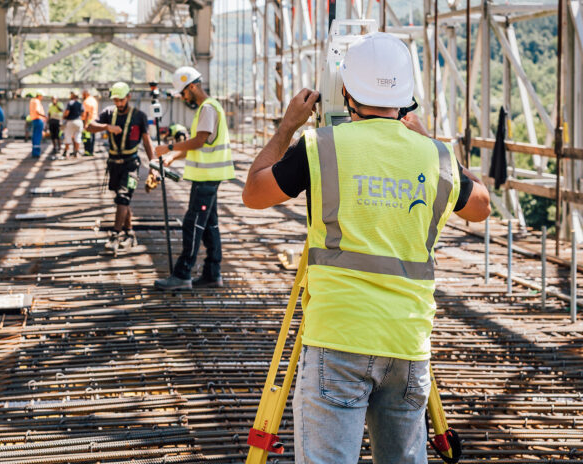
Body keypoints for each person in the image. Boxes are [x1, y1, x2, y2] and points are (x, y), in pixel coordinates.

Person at [241, 32, 491, 464]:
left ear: (344, 91)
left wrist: (288, 127)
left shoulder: (321, 146)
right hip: (408, 342)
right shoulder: (435, 157)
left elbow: (254, 193)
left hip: (338, 336)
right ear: (407, 95)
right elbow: (482, 206)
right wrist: (434, 146)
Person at [153, 66, 235, 290]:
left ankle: (182, 274)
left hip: (207, 178)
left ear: (192, 86)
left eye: (183, 93)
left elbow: (199, 141)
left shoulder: (207, 108)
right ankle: (212, 273)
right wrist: (173, 155)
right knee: (209, 225)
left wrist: (168, 146)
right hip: (208, 176)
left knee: (193, 224)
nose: (183, 98)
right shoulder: (208, 108)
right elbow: (199, 145)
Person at [86, 82, 155, 253]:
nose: (118, 103)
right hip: (114, 164)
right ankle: (130, 233)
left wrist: (153, 166)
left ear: (128, 97)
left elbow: (146, 142)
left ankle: (116, 235)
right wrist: (107, 126)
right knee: (121, 198)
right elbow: (89, 126)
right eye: (115, 100)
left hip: (131, 165)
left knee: (123, 197)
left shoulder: (139, 116)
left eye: (121, 100)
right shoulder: (109, 113)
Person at [62, 91, 84, 158]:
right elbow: (83, 113)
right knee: (78, 137)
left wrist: (64, 116)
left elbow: (67, 112)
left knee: (68, 136)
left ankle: (66, 153)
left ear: (72, 96)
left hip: (71, 121)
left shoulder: (70, 103)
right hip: (79, 121)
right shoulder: (80, 103)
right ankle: (76, 153)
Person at [28, 92, 47, 158]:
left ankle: (34, 152)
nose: (42, 97)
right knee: (38, 136)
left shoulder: (32, 101)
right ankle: (36, 153)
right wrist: (44, 116)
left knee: (35, 136)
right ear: (39, 95)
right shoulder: (37, 101)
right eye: (41, 96)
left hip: (34, 120)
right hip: (39, 119)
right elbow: (37, 111)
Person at [81, 88, 99, 156]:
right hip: (94, 120)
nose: (82, 96)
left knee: (87, 137)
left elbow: (87, 113)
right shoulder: (94, 100)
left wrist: (85, 124)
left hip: (88, 121)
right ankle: (91, 151)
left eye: (83, 94)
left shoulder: (87, 101)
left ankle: (87, 151)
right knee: (92, 136)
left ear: (86, 94)